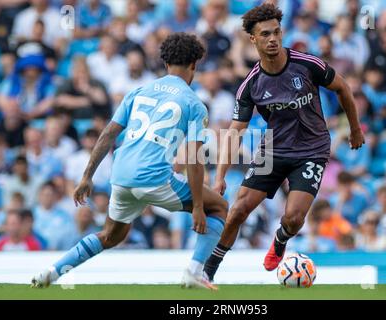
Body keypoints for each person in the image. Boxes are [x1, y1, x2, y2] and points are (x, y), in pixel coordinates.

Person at [31, 33, 228, 290]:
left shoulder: (138, 91)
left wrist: (87, 176)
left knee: (111, 235)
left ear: (166, 63)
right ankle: (195, 271)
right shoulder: (194, 103)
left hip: (121, 174)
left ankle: (52, 272)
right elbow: (192, 157)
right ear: (194, 65)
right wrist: (199, 206)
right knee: (220, 207)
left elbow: (108, 134)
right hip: (155, 177)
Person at [203, 3, 364, 282]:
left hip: (311, 151)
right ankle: (206, 272)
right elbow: (234, 133)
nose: (273, 39)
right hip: (273, 152)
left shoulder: (307, 64)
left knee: (292, 219)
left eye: (276, 32)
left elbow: (343, 88)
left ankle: (280, 239)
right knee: (238, 209)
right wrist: (219, 176)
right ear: (253, 39)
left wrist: (355, 129)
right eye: (265, 34)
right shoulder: (251, 85)